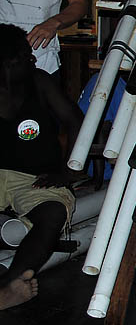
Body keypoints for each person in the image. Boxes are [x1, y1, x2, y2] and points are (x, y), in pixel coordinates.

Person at [0, 24, 84, 309]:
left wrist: (69, 171)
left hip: (33, 177)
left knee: (53, 212)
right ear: (7, 64)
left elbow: (75, 121)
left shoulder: (40, 82)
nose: (32, 59)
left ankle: (10, 285)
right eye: (24, 57)